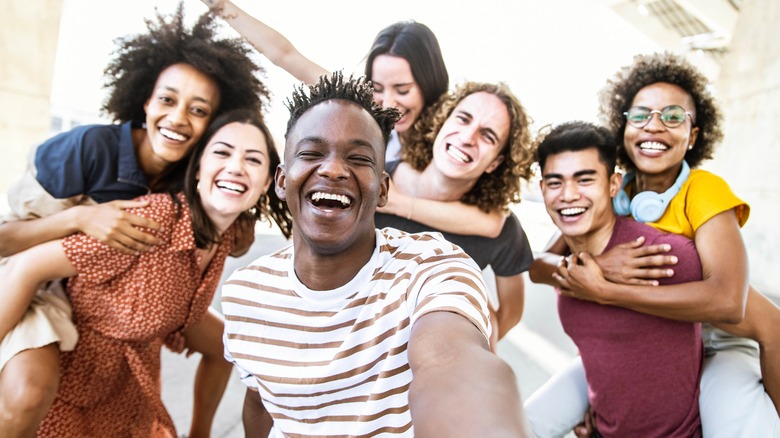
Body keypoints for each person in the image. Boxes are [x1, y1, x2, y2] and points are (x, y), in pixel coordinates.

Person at [0, 4, 269, 437]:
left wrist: (238, 221)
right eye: (167, 100)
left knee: (224, 343)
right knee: (30, 389)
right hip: (40, 277)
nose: (178, 118)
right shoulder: (88, 148)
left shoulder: (191, 178)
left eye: (199, 111)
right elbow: (8, 244)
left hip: (123, 285)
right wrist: (83, 218)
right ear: (145, 99)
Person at [221, 72, 528, 437]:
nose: (333, 169)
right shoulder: (245, 294)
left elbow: (451, 362)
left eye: (359, 158)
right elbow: (261, 399)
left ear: (383, 189)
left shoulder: (434, 267)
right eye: (312, 153)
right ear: (282, 180)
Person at [526, 52, 780, 437]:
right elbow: (541, 264)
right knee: (526, 419)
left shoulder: (703, 191)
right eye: (641, 115)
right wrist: (597, 265)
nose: (655, 126)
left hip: (721, 342)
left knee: (735, 424)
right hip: (655, 340)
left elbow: (728, 303)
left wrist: (608, 291)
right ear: (623, 127)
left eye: (673, 116)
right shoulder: (612, 190)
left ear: (693, 136)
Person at [200, 0, 509, 239]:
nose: (388, 103)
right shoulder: (360, 108)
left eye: (403, 90)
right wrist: (221, 6)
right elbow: (285, 55)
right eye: (377, 88)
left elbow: (493, 221)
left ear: (429, 84)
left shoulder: (451, 135)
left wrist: (397, 203)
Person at [535, 120, 704, 436]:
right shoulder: (568, 267)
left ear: (613, 185)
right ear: (543, 189)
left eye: (584, 180)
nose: (568, 195)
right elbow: (601, 343)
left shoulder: (662, 255)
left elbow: (744, 315)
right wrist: (596, 403)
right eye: (555, 182)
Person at [375, 81, 535, 344]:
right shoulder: (373, 177)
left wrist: (473, 344)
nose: (467, 137)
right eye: (463, 119)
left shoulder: (502, 228)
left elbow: (509, 313)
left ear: (495, 162)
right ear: (442, 122)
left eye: (487, 135)